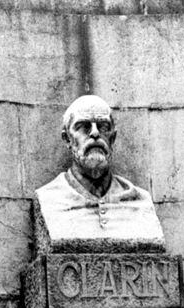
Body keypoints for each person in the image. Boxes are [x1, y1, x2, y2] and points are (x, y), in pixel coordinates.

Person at [34, 95, 165, 254]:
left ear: (113, 137)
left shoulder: (141, 200)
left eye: (103, 126)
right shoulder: (49, 198)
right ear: (67, 139)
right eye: (84, 127)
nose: (95, 133)